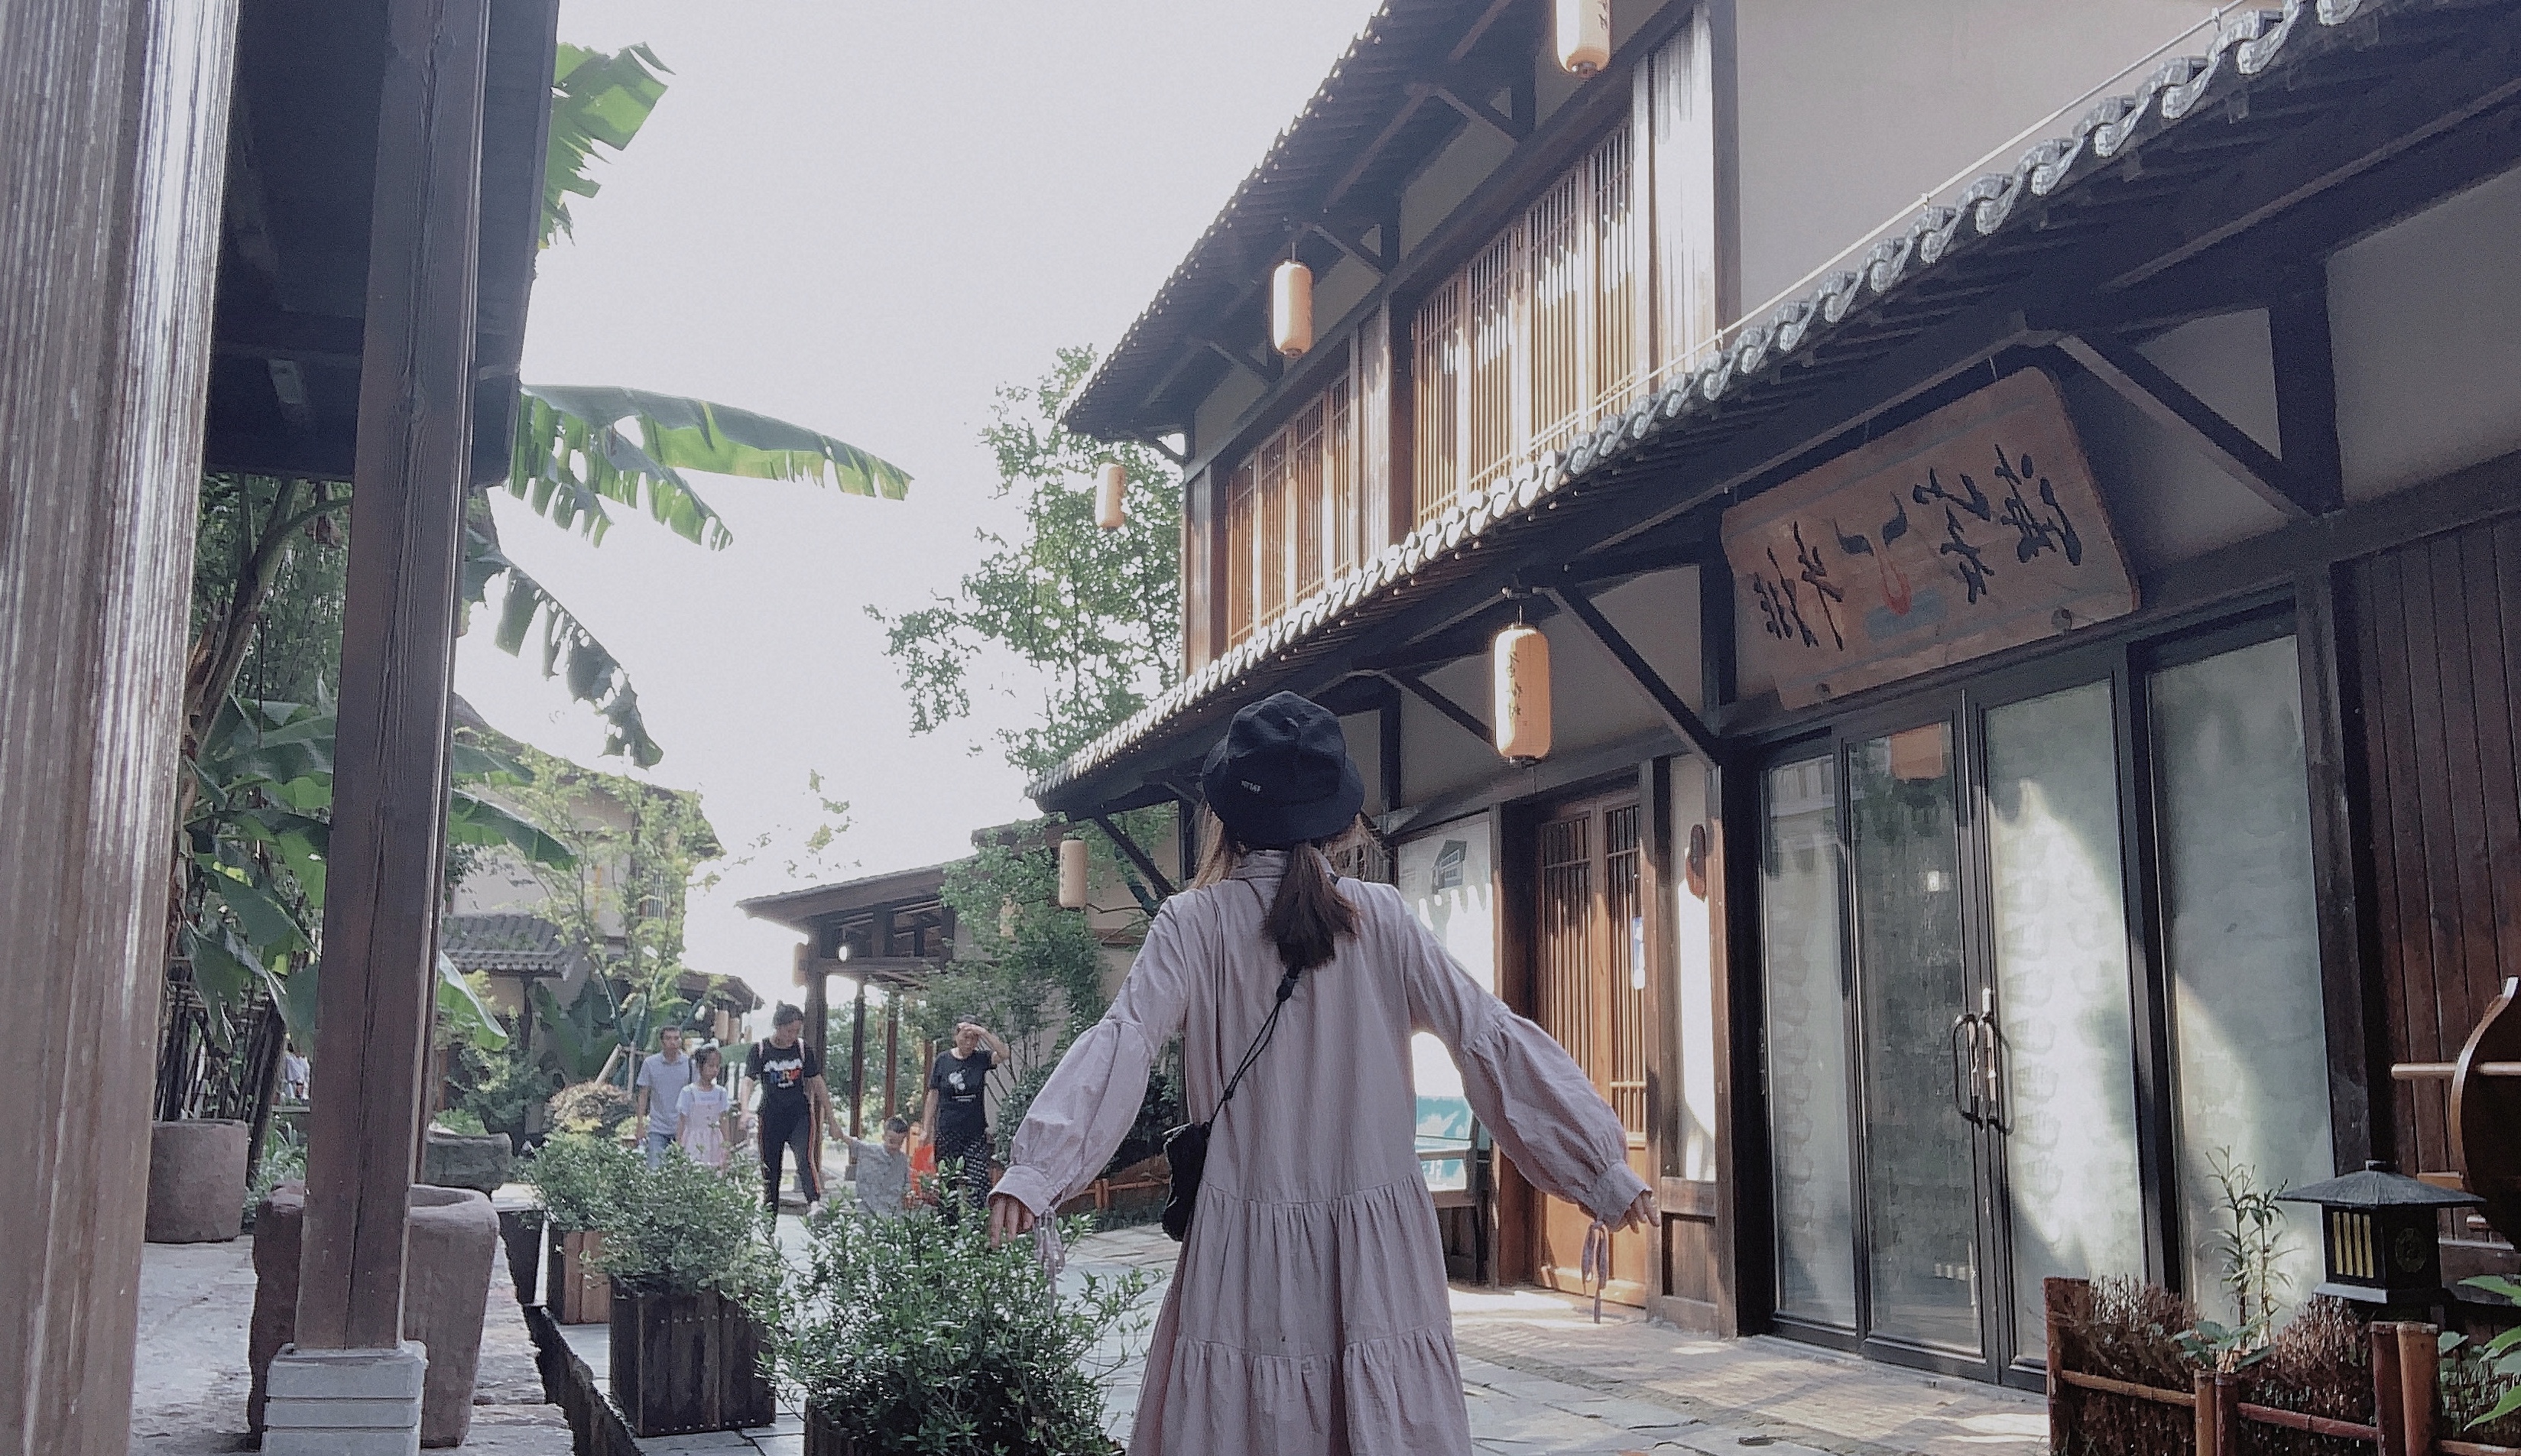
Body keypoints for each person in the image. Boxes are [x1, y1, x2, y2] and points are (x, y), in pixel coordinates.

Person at [988, 691, 1652, 1455]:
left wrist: (1037, 1169)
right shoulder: (1384, 920)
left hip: (1243, 1251)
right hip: (1377, 1253)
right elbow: (1485, 1037)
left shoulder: (1194, 925)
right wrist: (1596, 1164)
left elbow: (1125, 1041)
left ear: (1226, 818)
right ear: (1340, 822)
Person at [746, 1004, 844, 1211]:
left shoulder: (802, 1050)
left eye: (797, 1031)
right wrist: (745, 1109)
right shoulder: (760, 1050)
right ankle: (770, 1215)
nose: (793, 1036)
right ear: (778, 1027)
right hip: (771, 1117)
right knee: (770, 1168)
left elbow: (817, 1082)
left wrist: (832, 1119)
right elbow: (748, 1081)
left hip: (799, 1115)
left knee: (805, 1158)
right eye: (789, 1031)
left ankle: (814, 1203)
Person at [920, 1017, 1008, 1219]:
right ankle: (948, 1228)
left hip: (974, 1134)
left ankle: (978, 1225)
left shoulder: (980, 1059)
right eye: (965, 1037)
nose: (969, 1042)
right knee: (947, 1184)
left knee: (980, 1182)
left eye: (973, 1038)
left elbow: (1004, 1054)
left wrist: (983, 1032)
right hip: (948, 1132)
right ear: (956, 1036)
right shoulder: (943, 1060)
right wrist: (926, 1128)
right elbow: (933, 1095)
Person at [631, 1024, 693, 1169]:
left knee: (682, 1172)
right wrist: (640, 1125)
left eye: (676, 1038)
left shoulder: (690, 1064)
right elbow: (643, 1095)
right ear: (662, 1042)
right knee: (654, 1170)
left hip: (683, 1129)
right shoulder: (650, 1064)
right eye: (668, 1038)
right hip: (657, 1129)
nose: (673, 1042)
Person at [674, 1045, 738, 1170]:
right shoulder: (688, 1092)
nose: (715, 1070)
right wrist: (678, 1146)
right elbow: (682, 1121)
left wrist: (727, 1145)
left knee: (715, 1171)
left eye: (717, 1066)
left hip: (715, 1140)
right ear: (699, 1066)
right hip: (693, 1140)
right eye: (710, 1066)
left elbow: (724, 1120)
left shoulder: (721, 1093)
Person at [845, 1116, 912, 1220]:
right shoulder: (867, 1150)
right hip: (866, 1214)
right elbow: (842, 1137)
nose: (895, 1146)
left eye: (900, 1143)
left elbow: (907, 1185)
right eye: (891, 1141)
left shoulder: (903, 1160)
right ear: (884, 1137)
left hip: (891, 1217)